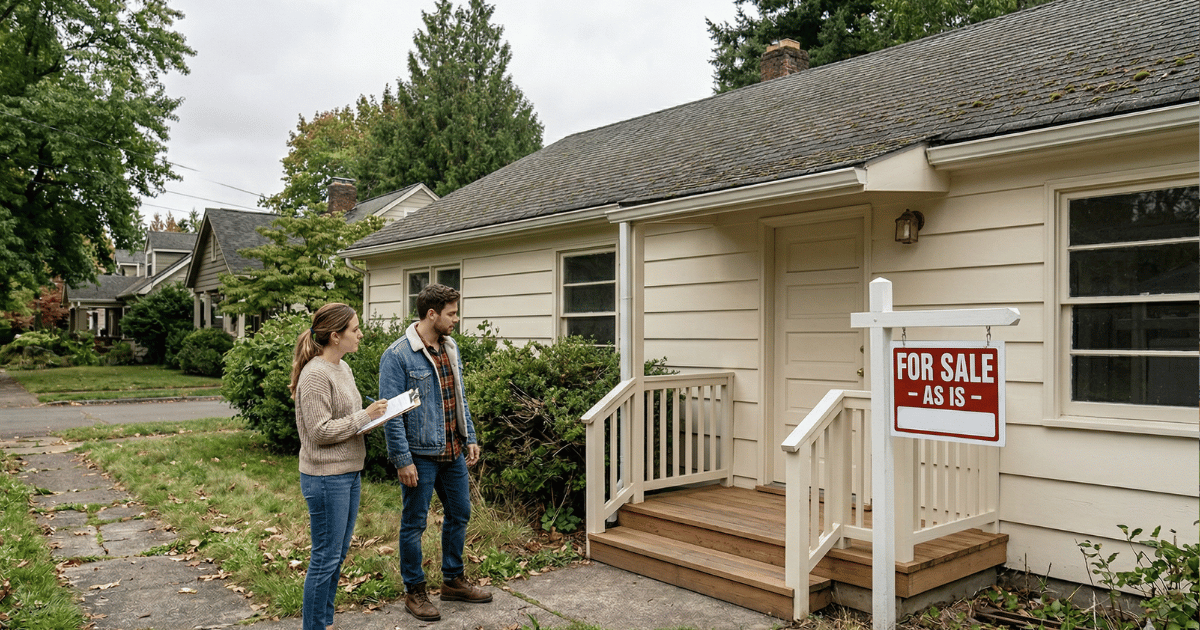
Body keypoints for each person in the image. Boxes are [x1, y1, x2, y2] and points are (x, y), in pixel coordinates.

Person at [379, 283, 491, 622]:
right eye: (451, 313)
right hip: (420, 455)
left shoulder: (450, 347)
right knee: (414, 524)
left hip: (453, 451)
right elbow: (391, 413)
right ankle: (414, 591)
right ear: (432, 314)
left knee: (460, 513)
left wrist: (469, 436)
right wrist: (403, 460)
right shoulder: (398, 355)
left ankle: (453, 580)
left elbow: (458, 396)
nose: (456, 319)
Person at [290, 302, 389, 630]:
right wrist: (364, 416)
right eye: (354, 329)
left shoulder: (343, 368)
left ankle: (325, 622)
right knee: (325, 558)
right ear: (335, 336)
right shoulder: (315, 374)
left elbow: (348, 420)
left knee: (337, 554)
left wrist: (376, 418)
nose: (360, 334)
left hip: (349, 472)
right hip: (325, 477)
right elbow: (319, 432)